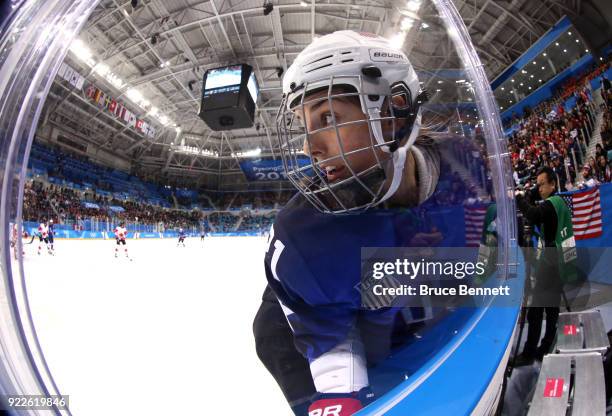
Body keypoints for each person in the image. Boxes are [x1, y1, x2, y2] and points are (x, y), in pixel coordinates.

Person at [252, 30, 472, 416]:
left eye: (328, 117)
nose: (310, 148)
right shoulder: (307, 238)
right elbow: (332, 347)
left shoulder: (463, 168)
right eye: (305, 126)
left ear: (392, 113)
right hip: (298, 329)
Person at [514, 167, 577, 366]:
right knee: (551, 309)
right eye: (538, 184)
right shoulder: (558, 203)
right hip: (558, 262)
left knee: (535, 311)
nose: (539, 188)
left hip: (550, 264)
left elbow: (532, 213)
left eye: (542, 184)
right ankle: (545, 347)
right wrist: (532, 191)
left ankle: (529, 353)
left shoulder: (551, 205)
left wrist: (519, 198)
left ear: (553, 184)